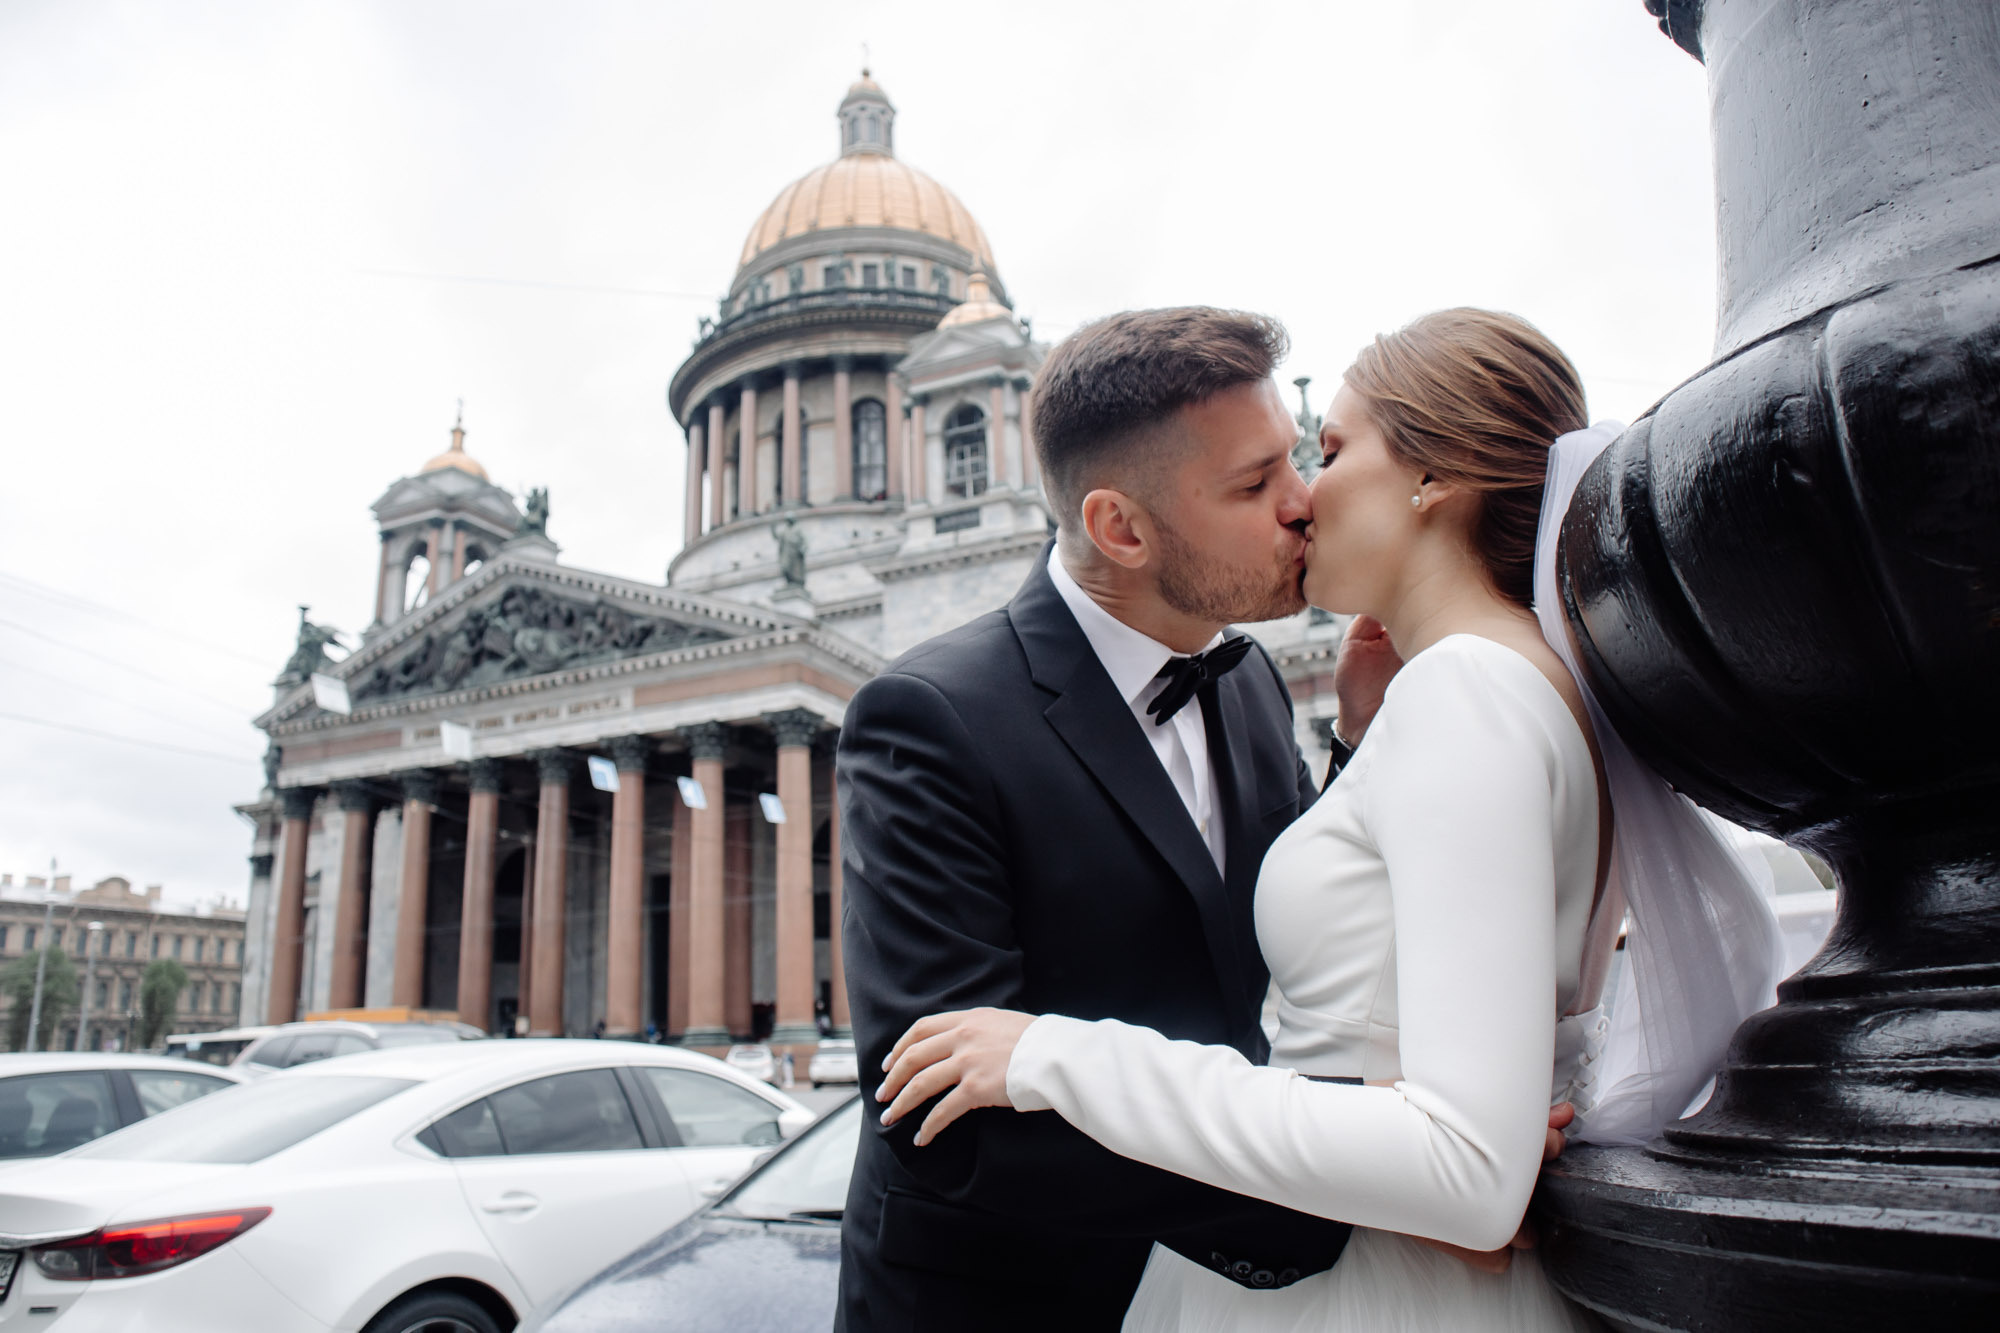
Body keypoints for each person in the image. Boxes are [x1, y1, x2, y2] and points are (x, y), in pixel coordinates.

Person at [878, 308, 1787, 1329]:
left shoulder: (1456, 695)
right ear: (1118, 528)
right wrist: (1360, 748)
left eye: (1320, 451)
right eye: (1257, 480)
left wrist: (1060, 1053)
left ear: (1432, 478)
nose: (1300, 501)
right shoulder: (938, 713)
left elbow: (1455, 1157)